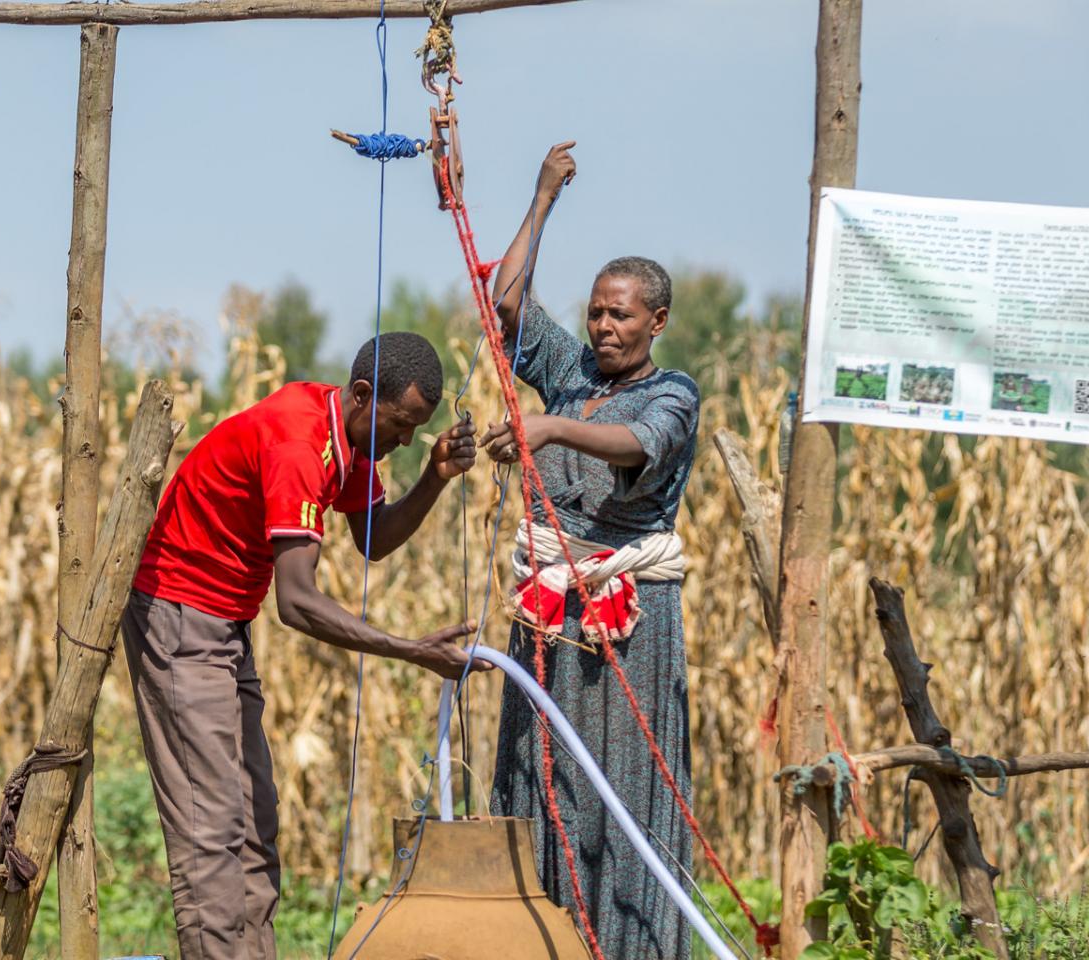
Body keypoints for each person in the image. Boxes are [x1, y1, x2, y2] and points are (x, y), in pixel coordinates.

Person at [122, 330, 482, 960]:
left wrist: (435, 476)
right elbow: (298, 603)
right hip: (180, 619)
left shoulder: (344, 435)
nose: (403, 443)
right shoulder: (298, 444)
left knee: (256, 822)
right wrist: (412, 650)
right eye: (401, 427)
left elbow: (373, 537)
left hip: (226, 625)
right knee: (212, 827)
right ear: (364, 394)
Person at [485, 141, 702, 960]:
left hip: (627, 619)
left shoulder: (670, 393)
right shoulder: (572, 370)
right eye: (597, 314)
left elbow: (635, 445)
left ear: (657, 322)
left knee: (620, 785)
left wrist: (548, 424)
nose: (604, 328)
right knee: (541, 773)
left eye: (622, 316)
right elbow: (506, 304)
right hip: (549, 604)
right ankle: (549, 940)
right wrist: (542, 199)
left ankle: (628, 946)